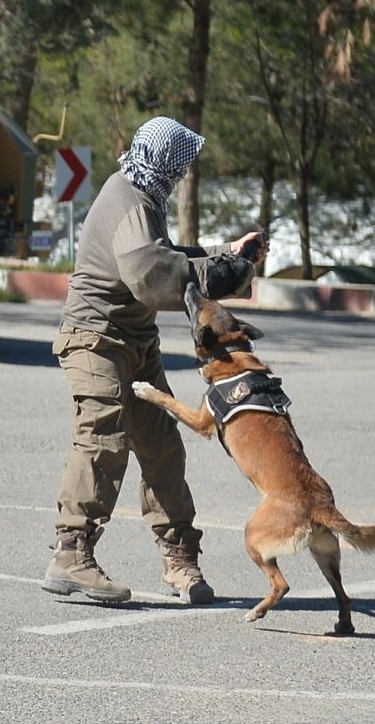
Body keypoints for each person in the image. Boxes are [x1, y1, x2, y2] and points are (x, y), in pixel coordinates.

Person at [42, 116, 268, 605]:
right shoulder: (127, 199)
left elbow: (169, 254)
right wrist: (225, 274)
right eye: (180, 165)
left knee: (163, 446)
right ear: (163, 161)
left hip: (135, 339)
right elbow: (152, 273)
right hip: (95, 336)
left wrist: (230, 254)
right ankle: (71, 554)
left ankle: (179, 558)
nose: (183, 174)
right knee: (102, 436)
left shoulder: (144, 198)